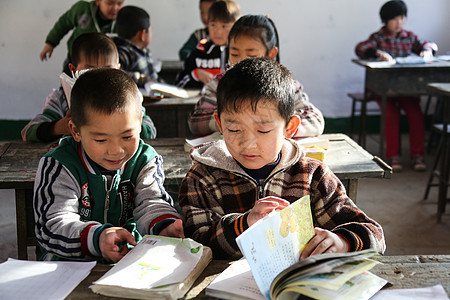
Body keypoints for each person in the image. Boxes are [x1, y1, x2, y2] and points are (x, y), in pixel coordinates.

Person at [179, 57, 385, 259]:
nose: (248, 143)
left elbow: (375, 235)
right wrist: (244, 225)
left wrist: (343, 242)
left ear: (290, 128)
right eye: (234, 129)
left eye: (263, 130)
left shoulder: (312, 176)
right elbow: (197, 244)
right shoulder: (202, 178)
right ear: (220, 123)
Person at [34, 68, 184, 262]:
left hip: (128, 258)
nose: (116, 151)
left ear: (140, 123)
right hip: (69, 266)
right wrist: (96, 238)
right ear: (75, 131)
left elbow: (151, 202)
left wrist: (164, 225)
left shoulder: (145, 160)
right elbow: (52, 224)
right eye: (101, 140)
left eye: (127, 136)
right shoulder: (60, 164)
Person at [187, 14, 324, 138]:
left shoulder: (285, 85)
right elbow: (195, 121)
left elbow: (315, 120)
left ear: (271, 54)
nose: (241, 61)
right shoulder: (220, 83)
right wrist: (229, 122)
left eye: (251, 55)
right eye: (234, 54)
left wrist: (276, 125)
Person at [22, 32, 157, 142]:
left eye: (108, 70)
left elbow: (151, 131)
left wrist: (128, 127)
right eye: (90, 71)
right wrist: (60, 127)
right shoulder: (62, 98)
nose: (99, 78)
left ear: (118, 69)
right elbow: (28, 132)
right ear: (74, 70)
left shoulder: (127, 96)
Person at [355, 0, 437, 172]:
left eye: (402, 18)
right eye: (395, 19)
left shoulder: (410, 37)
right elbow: (361, 47)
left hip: (405, 90)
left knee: (415, 114)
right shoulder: (378, 37)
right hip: (383, 91)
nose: (399, 22)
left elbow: (428, 44)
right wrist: (377, 53)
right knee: (391, 114)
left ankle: (417, 156)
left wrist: (428, 51)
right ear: (386, 20)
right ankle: (393, 156)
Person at [39, 0, 124, 74]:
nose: (115, 8)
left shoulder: (122, 22)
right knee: (68, 89)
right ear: (98, 1)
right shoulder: (82, 10)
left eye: (119, 3)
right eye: (110, 3)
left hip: (103, 68)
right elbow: (63, 24)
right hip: (77, 62)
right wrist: (50, 43)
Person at [176, 0, 241, 89]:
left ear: (235, 27)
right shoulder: (198, 53)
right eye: (213, 25)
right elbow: (178, 85)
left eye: (224, 26)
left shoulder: (241, 55)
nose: (218, 31)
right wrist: (196, 74)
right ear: (208, 25)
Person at [113, 5, 160, 88]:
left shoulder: (145, 52)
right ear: (142, 34)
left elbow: (154, 78)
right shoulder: (123, 52)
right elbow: (115, 73)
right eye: (149, 31)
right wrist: (142, 80)